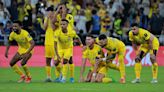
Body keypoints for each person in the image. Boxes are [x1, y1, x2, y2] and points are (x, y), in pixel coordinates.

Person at [43, 6, 59, 82]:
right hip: (47, 42)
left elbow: (53, 28)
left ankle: (58, 76)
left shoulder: (56, 19)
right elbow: (44, 28)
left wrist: (51, 19)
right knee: (47, 60)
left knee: (56, 61)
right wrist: (47, 19)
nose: (49, 13)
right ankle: (48, 76)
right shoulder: (46, 18)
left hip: (54, 42)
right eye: (48, 12)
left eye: (50, 11)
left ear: (53, 12)